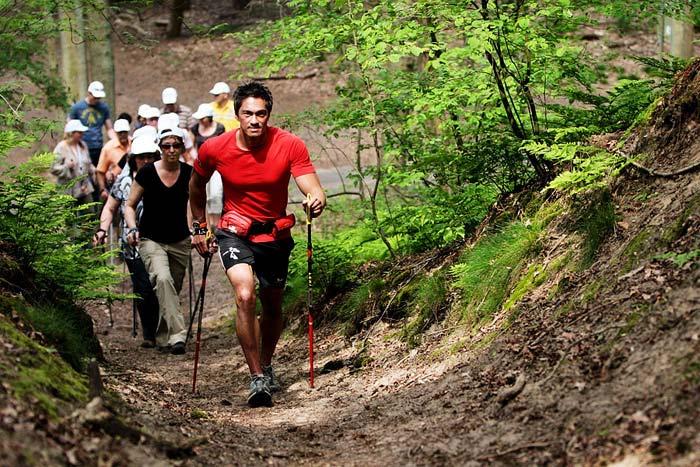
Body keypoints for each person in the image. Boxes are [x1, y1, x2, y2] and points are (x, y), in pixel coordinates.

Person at [190, 81, 326, 407]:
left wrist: (316, 200)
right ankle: (256, 377)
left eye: (261, 114)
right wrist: (198, 228)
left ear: (269, 115)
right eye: (248, 114)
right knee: (245, 294)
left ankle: (266, 363)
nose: (254, 120)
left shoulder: (289, 144)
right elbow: (195, 187)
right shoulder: (215, 148)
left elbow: (313, 187)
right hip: (234, 231)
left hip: (275, 236)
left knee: (273, 305)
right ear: (236, 114)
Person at [125, 127, 193, 355]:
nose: (171, 150)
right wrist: (132, 227)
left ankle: (163, 337)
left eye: (176, 145)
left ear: (182, 148)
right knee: (162, 280)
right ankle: (178, 335)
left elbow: (194, 205)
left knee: (172, 287)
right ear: (160, 148)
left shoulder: (189, 173)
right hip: (150, 238)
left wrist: (197, 230)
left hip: (180, 239)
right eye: (166, 146)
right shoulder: (146, 173)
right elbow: (129, 205)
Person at [94, 137, 161, 347]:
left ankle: (163, 327)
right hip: (132, 243)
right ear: (133, 160)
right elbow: (110, 208)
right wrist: (102, 229)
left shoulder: (164, 177)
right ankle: (149, 333)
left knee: (160, 283)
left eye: (151, 156)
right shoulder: (124, 182)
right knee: (143, 287)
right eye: (142, 157)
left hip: (161, 240)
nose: (147, 161)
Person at [191, 103, 226, 229]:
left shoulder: (219, 129)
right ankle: (205, 222)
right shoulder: (195, 128)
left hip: (215, 166)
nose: (201, 120)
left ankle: (215, 224)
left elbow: (223, 146)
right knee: (201, 192)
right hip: (201, 165)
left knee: (216, 194)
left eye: (203, 118)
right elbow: (192, 145)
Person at [68, 81, 116, 168]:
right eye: (95, 97)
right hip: (81, 145)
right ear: (89, 93)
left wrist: (116, 140)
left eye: (99, 97)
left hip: (98, 146)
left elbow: (109, 129)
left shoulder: (104, 108)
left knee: (98, 170)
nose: (97, 99)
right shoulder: (77, 108)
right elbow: (69, 126)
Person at [51, 119, 95, 205]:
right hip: (67, 189)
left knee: (89, 212)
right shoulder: (61, 147)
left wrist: (94, 170)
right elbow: (53, 168)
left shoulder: (83, 145)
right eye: (79, 132)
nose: (82, 134)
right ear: (71, 133)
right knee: (69, 214)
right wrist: (66, 166)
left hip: (84, 187)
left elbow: (88, 164)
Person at [96, 118, 131, 200]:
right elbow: (100, 171)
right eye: (120, 133)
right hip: (115, 187)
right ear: (115, 133)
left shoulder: (134, 143)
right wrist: (102, 190)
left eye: (124, 132)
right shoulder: (108, 148)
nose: (123, 134)